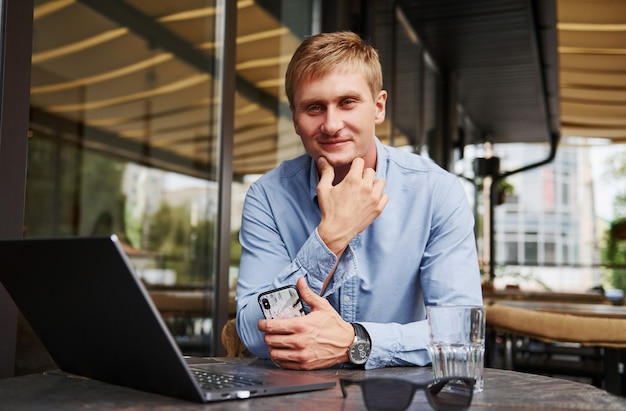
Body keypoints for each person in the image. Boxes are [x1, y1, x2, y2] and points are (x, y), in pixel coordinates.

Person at [235, 31, 482, 370]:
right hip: (293, 398)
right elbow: (251, 332)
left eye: (347, 102)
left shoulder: (436, 191)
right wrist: (331, 236)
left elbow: (460, 337)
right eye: (314, 108)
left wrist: (357, 342)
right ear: (295, 118)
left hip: (398, 399)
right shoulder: (267, 196)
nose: (332, 124)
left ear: (378, 107)